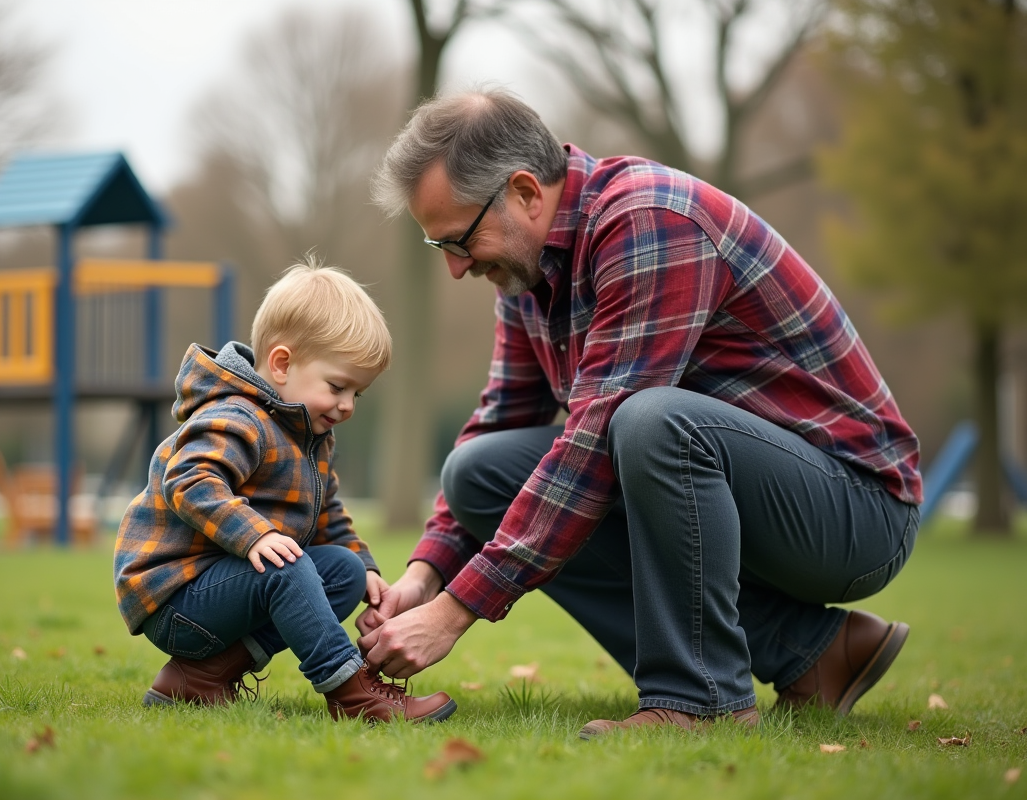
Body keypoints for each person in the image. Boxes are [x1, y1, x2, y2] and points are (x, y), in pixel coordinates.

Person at [356, 89, 921, 736]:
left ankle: (700, 700)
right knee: (479, 471)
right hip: (742, 487)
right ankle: (814, 652)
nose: (457, 268)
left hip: (854, 510)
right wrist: (425, 577)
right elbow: (504, 422)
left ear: (525, 193)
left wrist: (456, 611)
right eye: (440, 249)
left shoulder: (650, 221)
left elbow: (594, 442)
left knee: (651, 424)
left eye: (459, 239)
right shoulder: (524, 272)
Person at [114, 259, 455, 723]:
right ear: (281, 364)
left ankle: (202, 678)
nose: (347, 405)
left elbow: (326, 511)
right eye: (338, 386)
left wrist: (369, 569)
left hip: (226, 586)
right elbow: (190, 480)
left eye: (359, 394)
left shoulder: (308, 435)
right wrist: (255, 534)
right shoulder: (238, 416)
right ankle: (352, 694)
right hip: (176, 594)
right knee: (287, 564)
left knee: (343, 571)